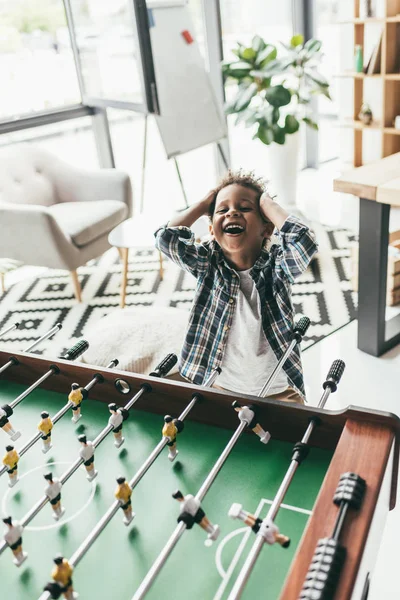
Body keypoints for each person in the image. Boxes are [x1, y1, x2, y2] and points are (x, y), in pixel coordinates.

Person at [155, 170, 317, 403]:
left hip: (278, 389)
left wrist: (267, 204)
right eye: (222, 209)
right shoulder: (207, 263)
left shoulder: (278, 268)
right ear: (212, 230)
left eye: (245, 208)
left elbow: (305, 243)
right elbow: (165, 239)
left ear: (267, 229)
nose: (232, 212)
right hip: (220, 386)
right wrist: (204, 204)